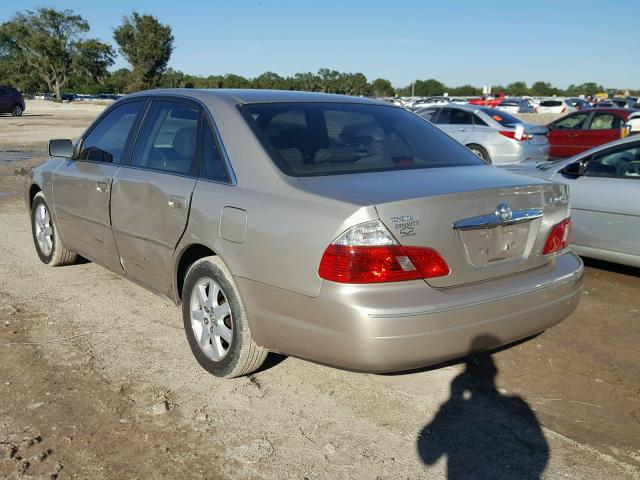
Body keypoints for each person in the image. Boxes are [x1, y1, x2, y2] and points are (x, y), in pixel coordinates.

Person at [417, 335, 549, 479]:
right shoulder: (518, 405)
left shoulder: (515, 405)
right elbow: (541, 453)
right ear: (494, 372)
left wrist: (449, 404)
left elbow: (427, 456)